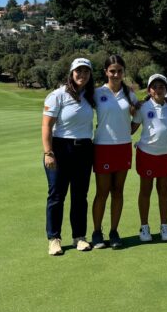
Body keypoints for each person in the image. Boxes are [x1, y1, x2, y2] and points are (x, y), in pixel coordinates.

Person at [42, 58, 95, 255]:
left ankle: (79, 237)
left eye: (86, 72)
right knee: (57, 196)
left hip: (84, 149)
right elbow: (46, 125)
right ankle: (54, 238)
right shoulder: (58, 95)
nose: (82, 75)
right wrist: (48, 153)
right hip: (60, 148)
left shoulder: (90, 95)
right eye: (78, 71)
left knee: (80, 196)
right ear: (71, 73)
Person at [91, 54, 137, 249]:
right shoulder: (96, 93)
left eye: (119, 71)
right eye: (112, 71)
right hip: (102, 147)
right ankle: (96, 232)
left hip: (123, 147)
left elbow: (138, 116)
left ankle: (114, 231)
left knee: (118, 191)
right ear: (106, 72)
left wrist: (128, 132)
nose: (116, 74)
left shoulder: (129, 94)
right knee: (102, 192)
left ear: (123, 72)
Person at [131, 74, 167, 242]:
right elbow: (131, 129)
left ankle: (164, 225)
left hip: (166, 154)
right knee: (146, 191)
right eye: (154, 87)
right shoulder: (143, 107)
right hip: (147, 154)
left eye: (162, 86)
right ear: (149, 90)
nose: (158, 89)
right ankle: (144, 226)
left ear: (166, 89)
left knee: (164, 190)